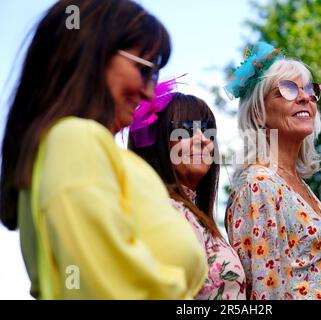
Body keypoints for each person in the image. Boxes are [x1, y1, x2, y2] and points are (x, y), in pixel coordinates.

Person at [0, 0, 207, 299]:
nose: (149, 93)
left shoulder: (77, 145)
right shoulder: (73, 139)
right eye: (144, 69)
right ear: (91, 54)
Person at [224, 41, 321, 300]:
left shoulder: (294, 182)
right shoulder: (258, 185)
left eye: (310, 90)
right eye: (287, 90)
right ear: (258, 112)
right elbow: (264, 292)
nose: (305, 97)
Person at [128, 86, 246, 300]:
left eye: (208, 130)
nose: (203, 139)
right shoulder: (164, 213)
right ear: (158, 144)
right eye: (186, 129)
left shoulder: (194, 217)